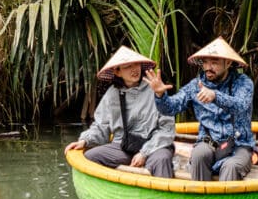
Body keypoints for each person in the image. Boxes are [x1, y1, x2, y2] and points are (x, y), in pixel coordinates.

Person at [149, 37, 254, 181]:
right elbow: (170, 108)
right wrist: (160, 95)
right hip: (208, 142)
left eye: (214, 62)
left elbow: (240, 105)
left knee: (231, 166)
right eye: (205, 62)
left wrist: (215, 96)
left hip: (238, 145)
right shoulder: (195, 86)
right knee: (199, 155)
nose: (208, 67)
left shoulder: (243, 83)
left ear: (228, 63)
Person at [64, 46, 175, 177]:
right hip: (124, 146)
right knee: (90, 156)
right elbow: (101, 126)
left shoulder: (156, 89)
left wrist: (144, 153)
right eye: (128, 66)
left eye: (136, 64)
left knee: (161, 159)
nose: (134, 69)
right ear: (117, 72)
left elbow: (166, 129)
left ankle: (163, 196)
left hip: (155, 146)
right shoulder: (112, 94)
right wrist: (85, 141)